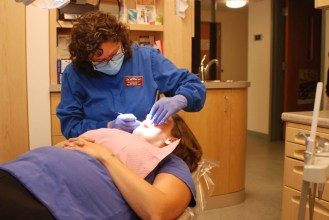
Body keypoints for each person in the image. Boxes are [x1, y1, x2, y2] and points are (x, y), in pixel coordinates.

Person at [0, 114, 203, 219]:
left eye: (160, 119)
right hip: (19, 172)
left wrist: (107, 156)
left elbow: (158, 211)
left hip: (50, 202)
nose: (149, 117)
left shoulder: (170, 163)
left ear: (172, 140)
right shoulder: (117, 136)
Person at [56, 10, 206, 139]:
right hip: (98, 153)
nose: (110, 62)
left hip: (144, 148)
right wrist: (108, 126)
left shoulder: (146, 59)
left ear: (121, 42)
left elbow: (193, 85)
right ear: (86, 59)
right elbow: (70, 126)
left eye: (114, 55)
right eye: (101, 61)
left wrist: (180, 99)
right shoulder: (75, 74)